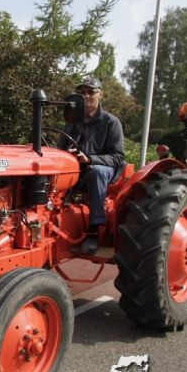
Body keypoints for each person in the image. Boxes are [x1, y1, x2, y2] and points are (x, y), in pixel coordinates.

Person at [57, 76, 125, 254]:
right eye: (82, 92)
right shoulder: (72, 123)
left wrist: (89, 159)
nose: (86, 96)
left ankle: (94, 229)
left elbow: (117, 157)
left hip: (103, 168)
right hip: (76, 166)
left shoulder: (111, 122)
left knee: (96, 172)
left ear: (100, 95)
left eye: (90, 92)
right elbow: (60, 149)